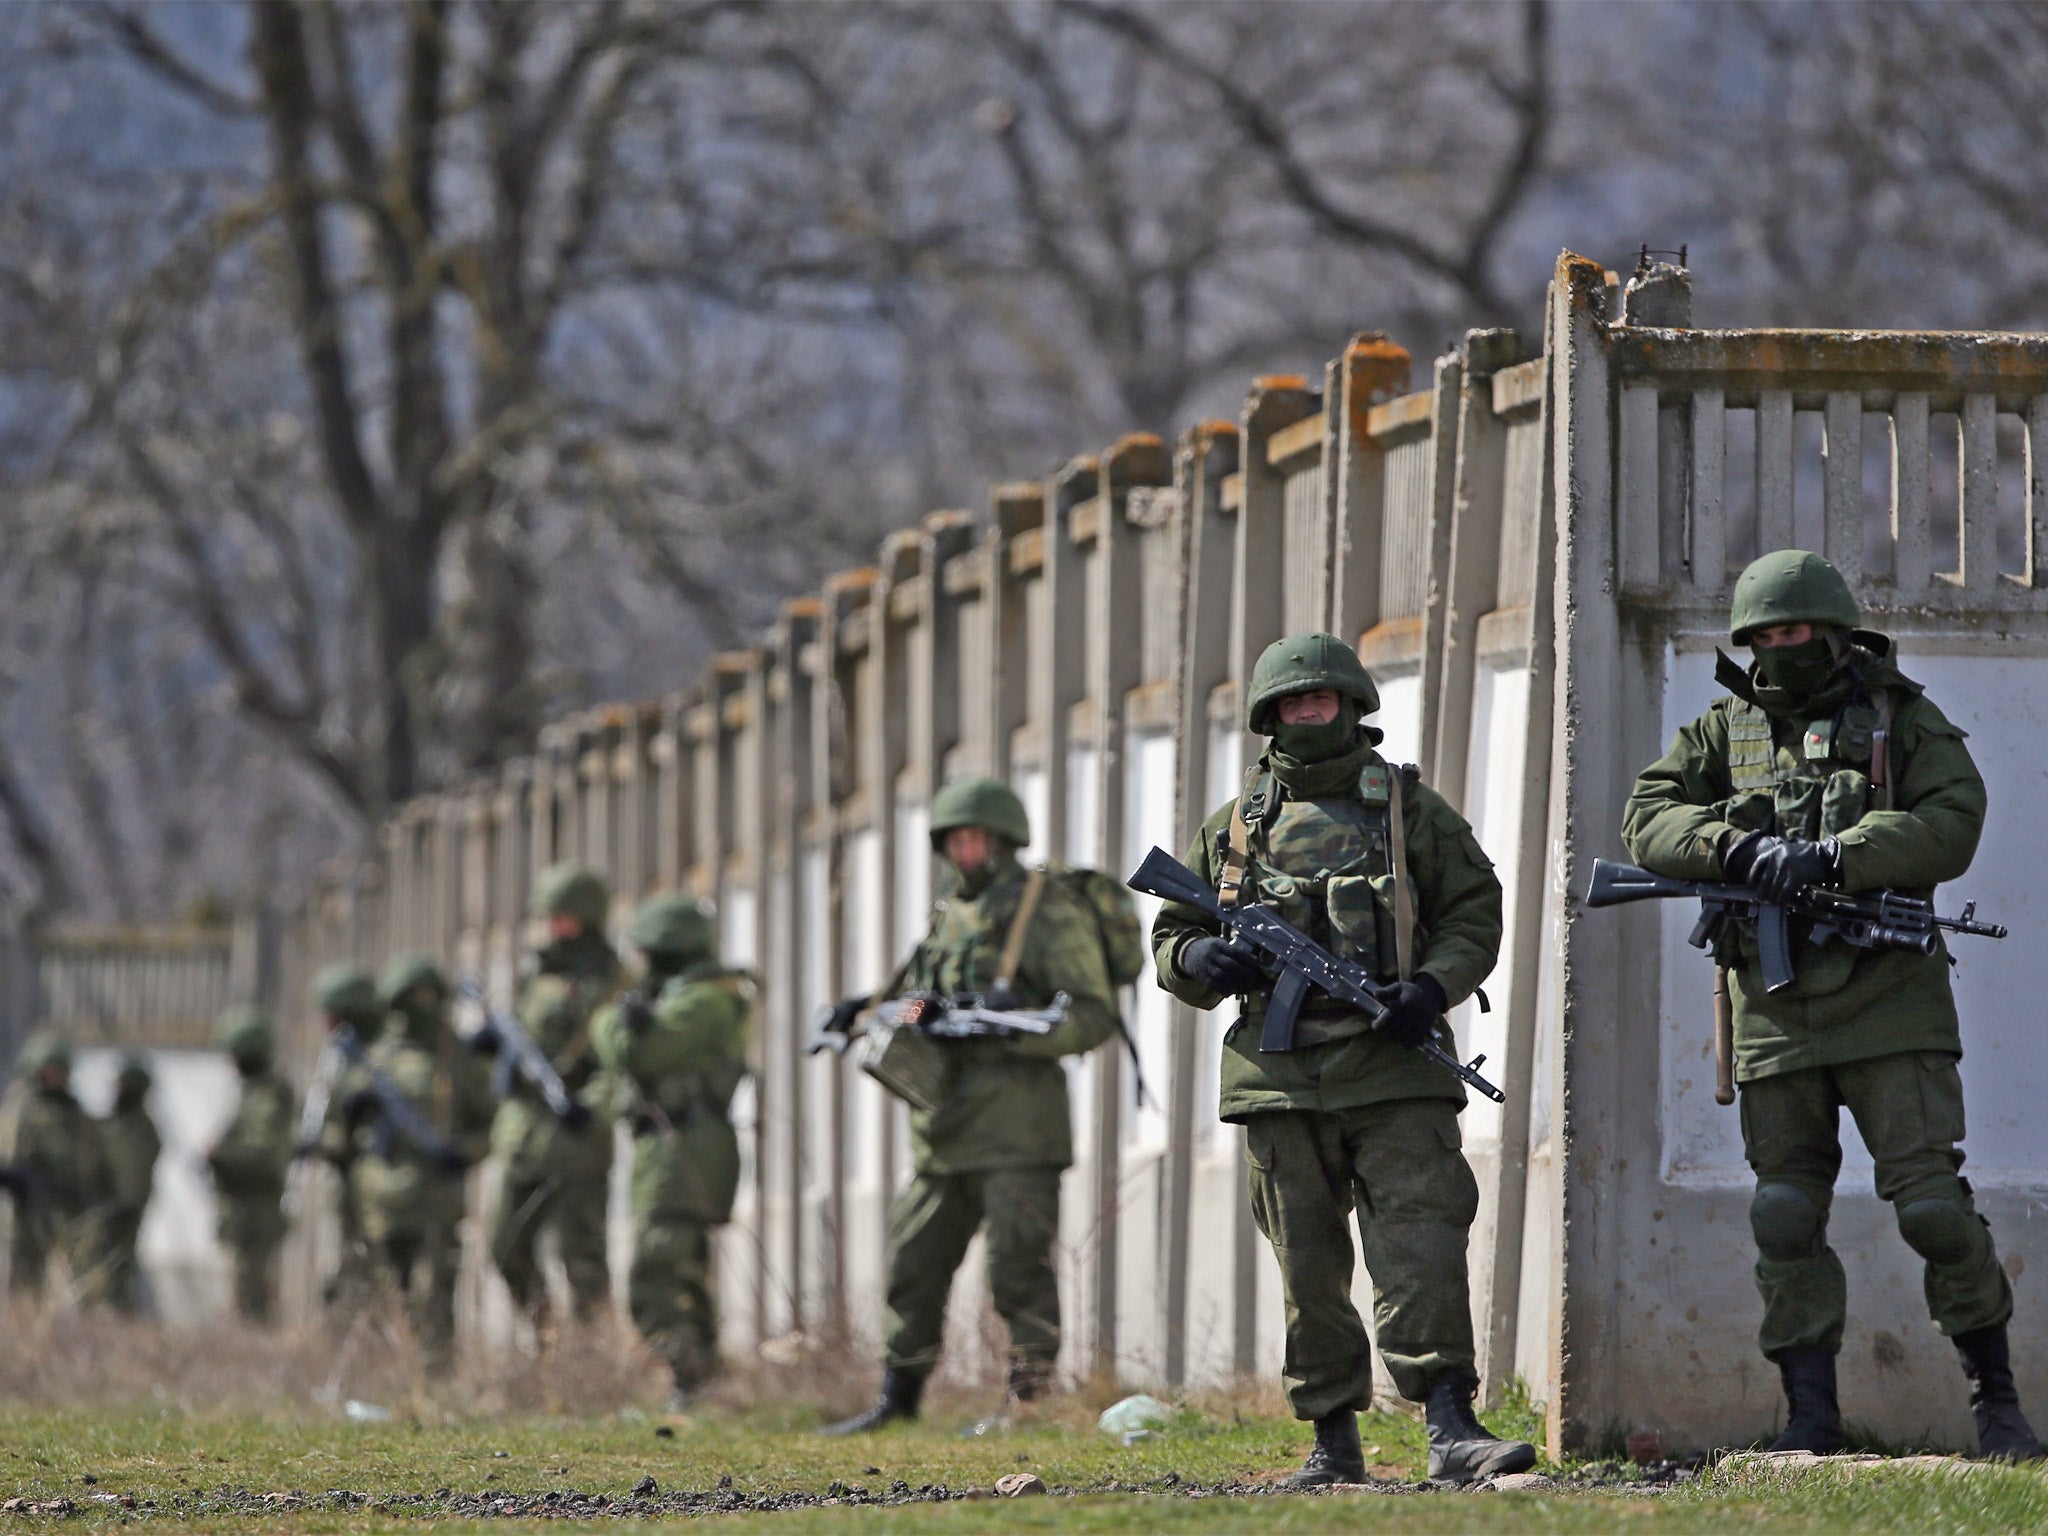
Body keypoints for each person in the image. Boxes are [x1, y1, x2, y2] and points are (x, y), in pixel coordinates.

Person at [1622, 548, 2040, 1461]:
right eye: (1767, 634)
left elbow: (1952, 819)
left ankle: (1998, 1406)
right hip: (1773, 1009)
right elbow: (1646, 817)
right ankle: (1811, 1418)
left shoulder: (1903, 717)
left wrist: (1840, 855)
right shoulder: (1721, 733)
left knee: (1932, 1206)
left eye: (1799, 629)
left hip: (1892, 1003)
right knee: (1782, 1212)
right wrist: (1732, 848)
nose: (1783, 645)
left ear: (1836, 630)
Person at [1151, 632, 1531, 1487]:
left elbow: (1475, 908)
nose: (1306, 713)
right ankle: (1332, 1442)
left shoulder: (1406, 810)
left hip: (1394, 1070)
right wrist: (1200, 961)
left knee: (1422, 1246)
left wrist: (1430, 991)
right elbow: (1175, 931)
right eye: (1290, 703)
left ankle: (1449, 1425)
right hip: (1278, 1078)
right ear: (1268, 717)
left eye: (1321, 700)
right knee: (1307, 1266)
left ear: (1354, 706)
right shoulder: (1239, 823)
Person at [823, 776, 1119, 1436]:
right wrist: (866, 1009)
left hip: (1020, 1125)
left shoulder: (1045, 912)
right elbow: (915, 997)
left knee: (1018, 1268)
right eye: (954, 839)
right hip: (943, 1126)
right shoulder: (947, 913)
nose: (965, 850)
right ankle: (897, 1398)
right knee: (913, 1263)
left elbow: (1094, 1013)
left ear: (1004, 840)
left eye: (976, 837)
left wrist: (1019, 1028)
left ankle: (1027, 1402)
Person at [592, 893, 752, 1410]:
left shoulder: (704, 1001)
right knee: (683, 1272)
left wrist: (618, 1021)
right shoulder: (684, 995)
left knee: (654, 1275)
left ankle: (689, 1375)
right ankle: (702, 1382)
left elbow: (631, 1050)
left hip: (685, 1151)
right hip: (670, 1150)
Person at [327, 954, 494, 1363]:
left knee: (433, 1295)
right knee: (383, 1292)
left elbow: (491, 1123)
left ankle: (433, 1378)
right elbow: (337, 1134)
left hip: (436, 1201)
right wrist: (355, 1111)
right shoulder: (375, 1057)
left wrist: (463, 1153)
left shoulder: (457, 1059)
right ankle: (383, 1374)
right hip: (381, 1202)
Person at [488, 864, 622, 1330]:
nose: (555, 927)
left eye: (565, 917)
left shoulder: (613, 981)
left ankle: (593, 1357)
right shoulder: (536, 976)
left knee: (580, 1256)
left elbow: (619, 1064)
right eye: (551, 917)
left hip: (577, 1143)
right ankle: (547, 1339)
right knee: (503, 1245)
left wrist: (592, 1106)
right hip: (523, 1137)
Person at [206, 1007, 297, 1324]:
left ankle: (256, 1354)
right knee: (242, 1288)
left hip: (256, 1210)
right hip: (243, 1208)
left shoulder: (267, 1095)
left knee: (250, 1292)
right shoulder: (251, 1091)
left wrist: (220, 1156)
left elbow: (262, 1152)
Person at [307, 963, 384, 1317]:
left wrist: (331, 1142)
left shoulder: (374, 1059)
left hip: (371, 1180)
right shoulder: (339, 1056)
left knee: (365, 1261)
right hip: (346, 1178)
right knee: (344, 1260)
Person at [0, 1030, 99, 1298]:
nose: (55, 1076)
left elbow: (86, 1160)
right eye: (49, 1069)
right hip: (27, 1206)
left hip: (65, 1205)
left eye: (59, 1070)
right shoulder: (21, 1107)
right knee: (25, 1276)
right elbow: (9, 1152)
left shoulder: (74, 1113)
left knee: (76, 1272)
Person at [89, 1055, 162, 1315]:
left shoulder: (142, 1129)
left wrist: (125, 1203)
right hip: (98, 1208)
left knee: (119, 1263)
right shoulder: (106, 1125)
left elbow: (136, 1173)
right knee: (94, 1262)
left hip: (124, 1211)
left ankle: (120, 1312)